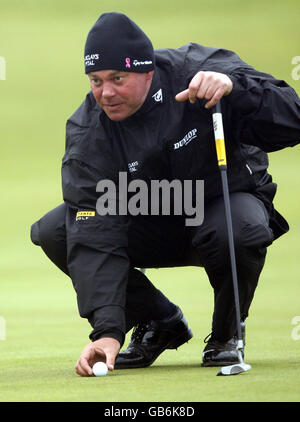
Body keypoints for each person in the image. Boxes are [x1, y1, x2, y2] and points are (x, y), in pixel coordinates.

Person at [30, 12, 300, 377]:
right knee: (57, 230)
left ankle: (226, 335)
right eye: (96, 80)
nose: (105, 93)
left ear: (148, 71)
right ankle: (159, 321)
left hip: (220, 207)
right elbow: (94, 231)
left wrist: (236, 87)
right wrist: (108, 331)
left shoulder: (201, 68)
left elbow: (292, 120)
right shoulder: (88, 132)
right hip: (151, 221)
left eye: (117, 78)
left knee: (240, 228)